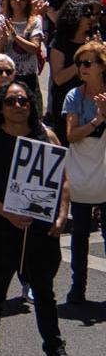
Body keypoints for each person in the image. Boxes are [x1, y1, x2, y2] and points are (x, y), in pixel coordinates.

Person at [0, 80, 67, 355]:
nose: (18, 106)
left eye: (23, 100)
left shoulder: (47, 136)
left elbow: (64, 180)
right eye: (11, 101)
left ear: (32, 104)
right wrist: (5, 212)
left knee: (45, 293)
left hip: (41, 230)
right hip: (5, 227)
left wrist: (62, 214)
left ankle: (55, 347)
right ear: (0, 107)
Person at [59, 38, 105, 305]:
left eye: (88, 63)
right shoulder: (74, 96)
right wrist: (99, 118)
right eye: (79, 63)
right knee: (80, 234)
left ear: (101, 66)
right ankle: (78, 286)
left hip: (105, 172)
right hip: (82, 176)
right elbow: (72, 135)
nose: (83, 68)